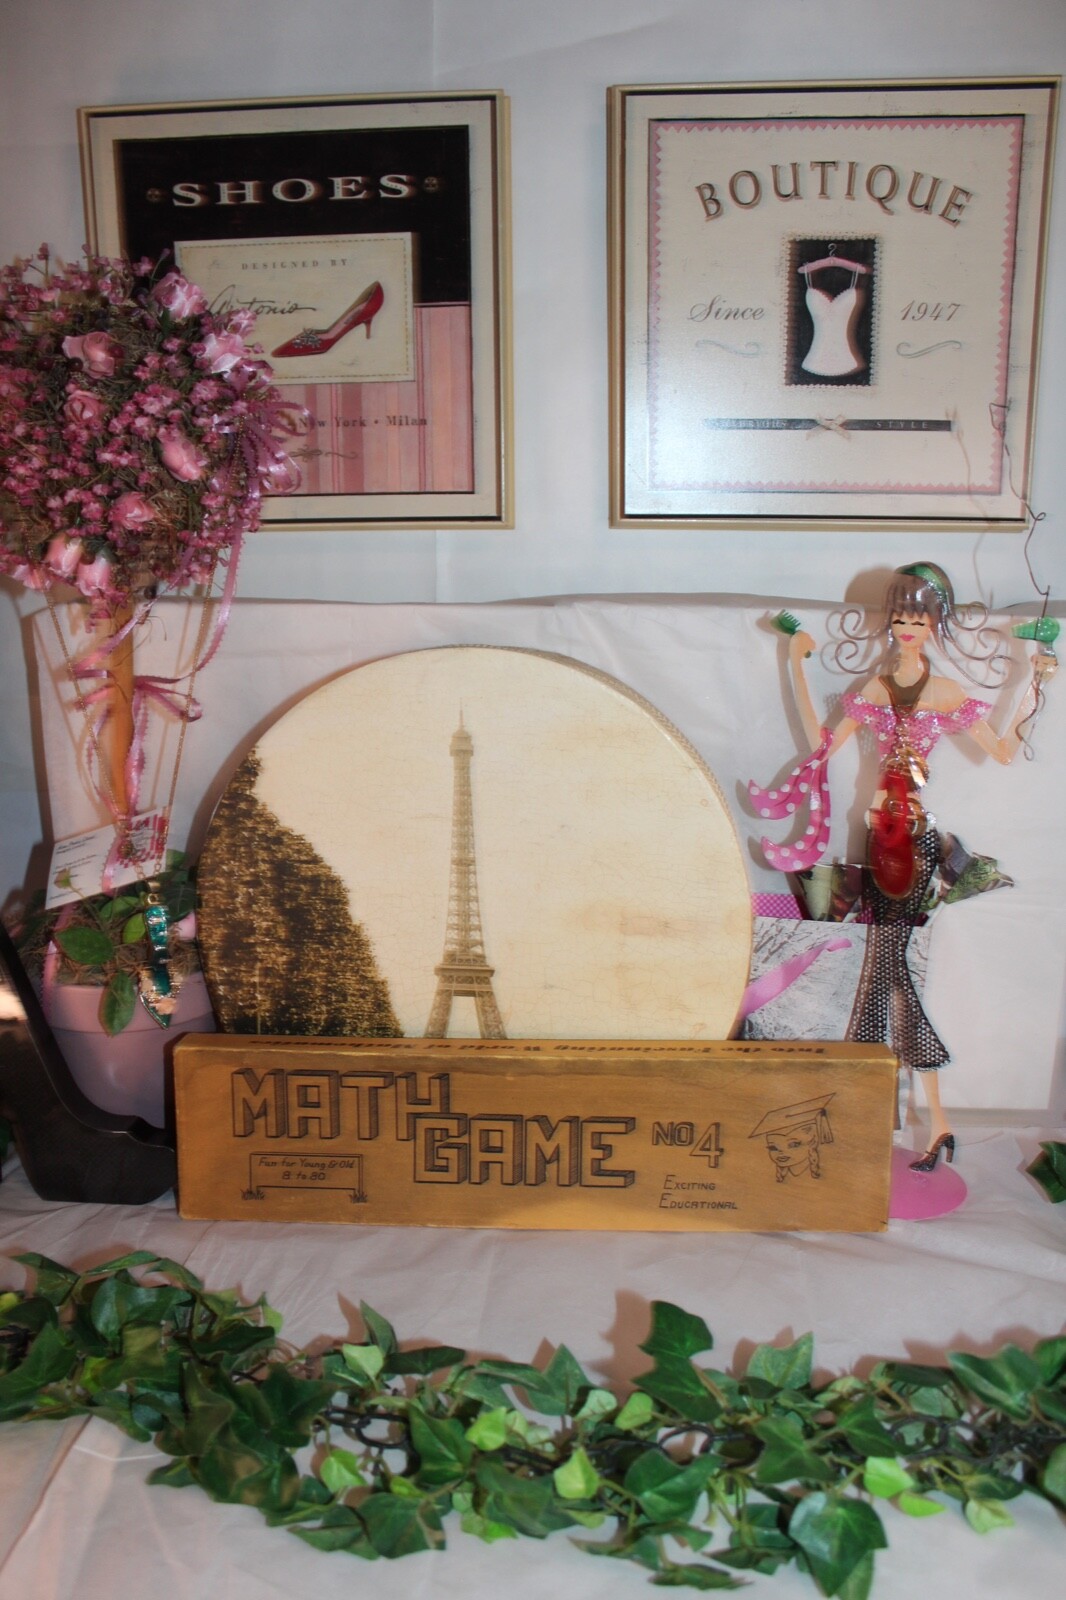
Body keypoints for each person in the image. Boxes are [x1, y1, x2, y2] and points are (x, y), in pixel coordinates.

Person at [750, 563, 1056, 1170]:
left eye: (919, 618)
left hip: (913, 841)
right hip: (876, 836)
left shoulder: (943, 692)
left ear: (935, 624)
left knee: (885, 967)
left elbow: (1002, 750)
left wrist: (1037, 680)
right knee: (886, 967)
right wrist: (796, 660)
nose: (908, 628)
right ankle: (921, 1121)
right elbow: (821, 745)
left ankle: (903, 1114)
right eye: (900, 618)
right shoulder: (875, 687)